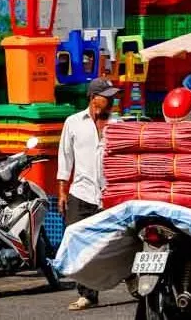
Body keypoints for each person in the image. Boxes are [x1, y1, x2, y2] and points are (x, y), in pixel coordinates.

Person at [57, 77, 121, 311]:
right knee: (79, 244)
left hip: (111, 193)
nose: (113, 100)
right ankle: (86, 294)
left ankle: (133, 278)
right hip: (81, 194)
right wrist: (62, 192)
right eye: (108, 96)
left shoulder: (118, 124)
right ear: (94, 99)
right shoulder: (73, 123)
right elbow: (65, 159)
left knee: (115, 242)